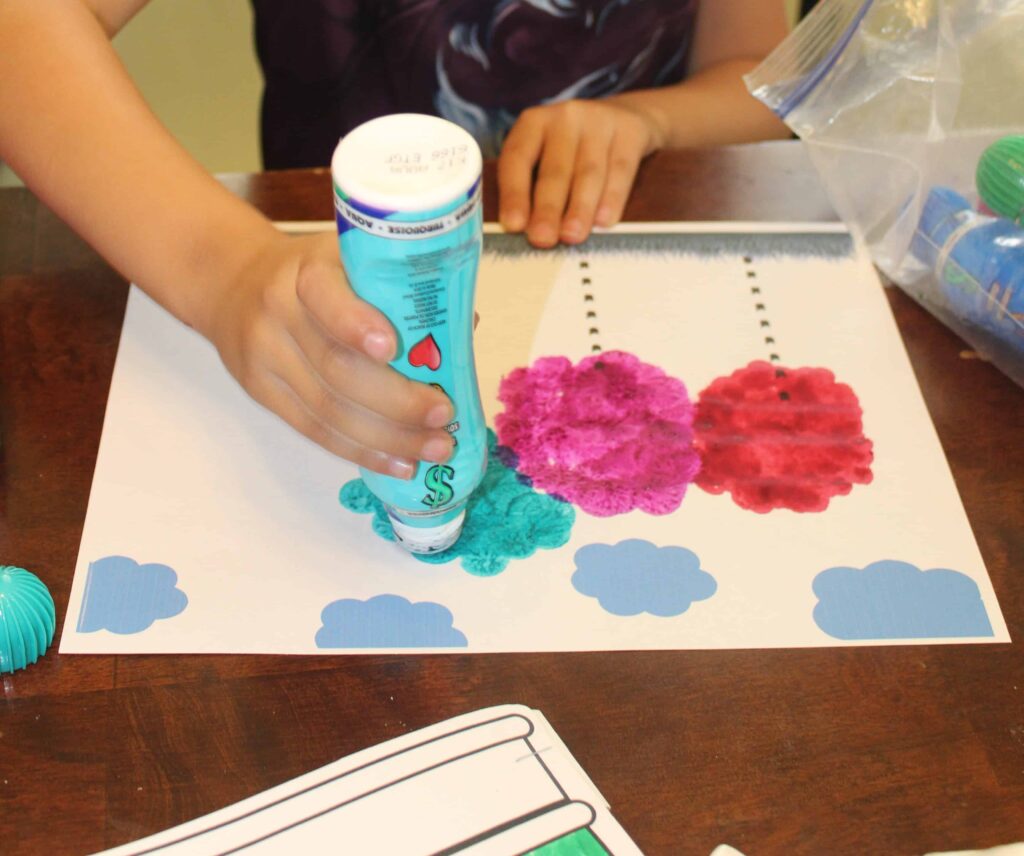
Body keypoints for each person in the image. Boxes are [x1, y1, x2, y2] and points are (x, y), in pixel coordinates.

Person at [0, 0, 789, 481]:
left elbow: (756, 72)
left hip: (621, 262)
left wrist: (652, 119)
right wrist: (225, 270)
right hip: (326, 298)